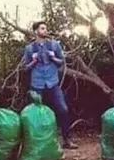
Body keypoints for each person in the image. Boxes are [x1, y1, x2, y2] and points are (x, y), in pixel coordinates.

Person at [22, 21, 78, 149]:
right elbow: (25, 68)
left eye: (46, 28)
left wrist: (53, 58)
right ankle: (35, 143)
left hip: (52, 83)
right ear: (36, 31)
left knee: (63, 109)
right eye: (42, 28)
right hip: (37, 85)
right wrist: (34, 61)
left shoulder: (54, 45)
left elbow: (61, 62)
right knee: (35, 116)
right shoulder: (29, 49)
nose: (45, 31)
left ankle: (67, 140)